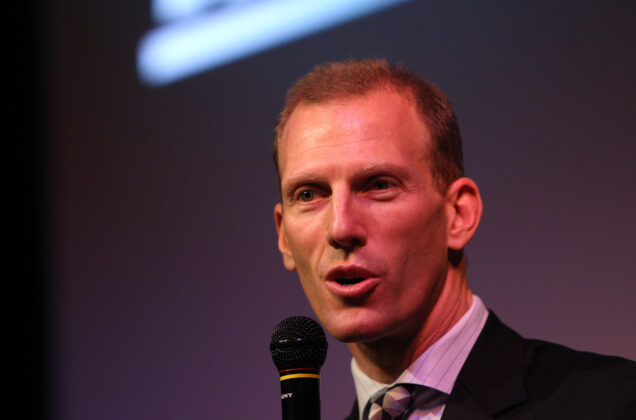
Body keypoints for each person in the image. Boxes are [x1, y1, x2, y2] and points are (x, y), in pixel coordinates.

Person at [272, 58, 635, 419]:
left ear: (458, 215)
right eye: (309, 194)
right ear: (284, 235)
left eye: (379, 185)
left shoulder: (613, 403)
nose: (341, 228)